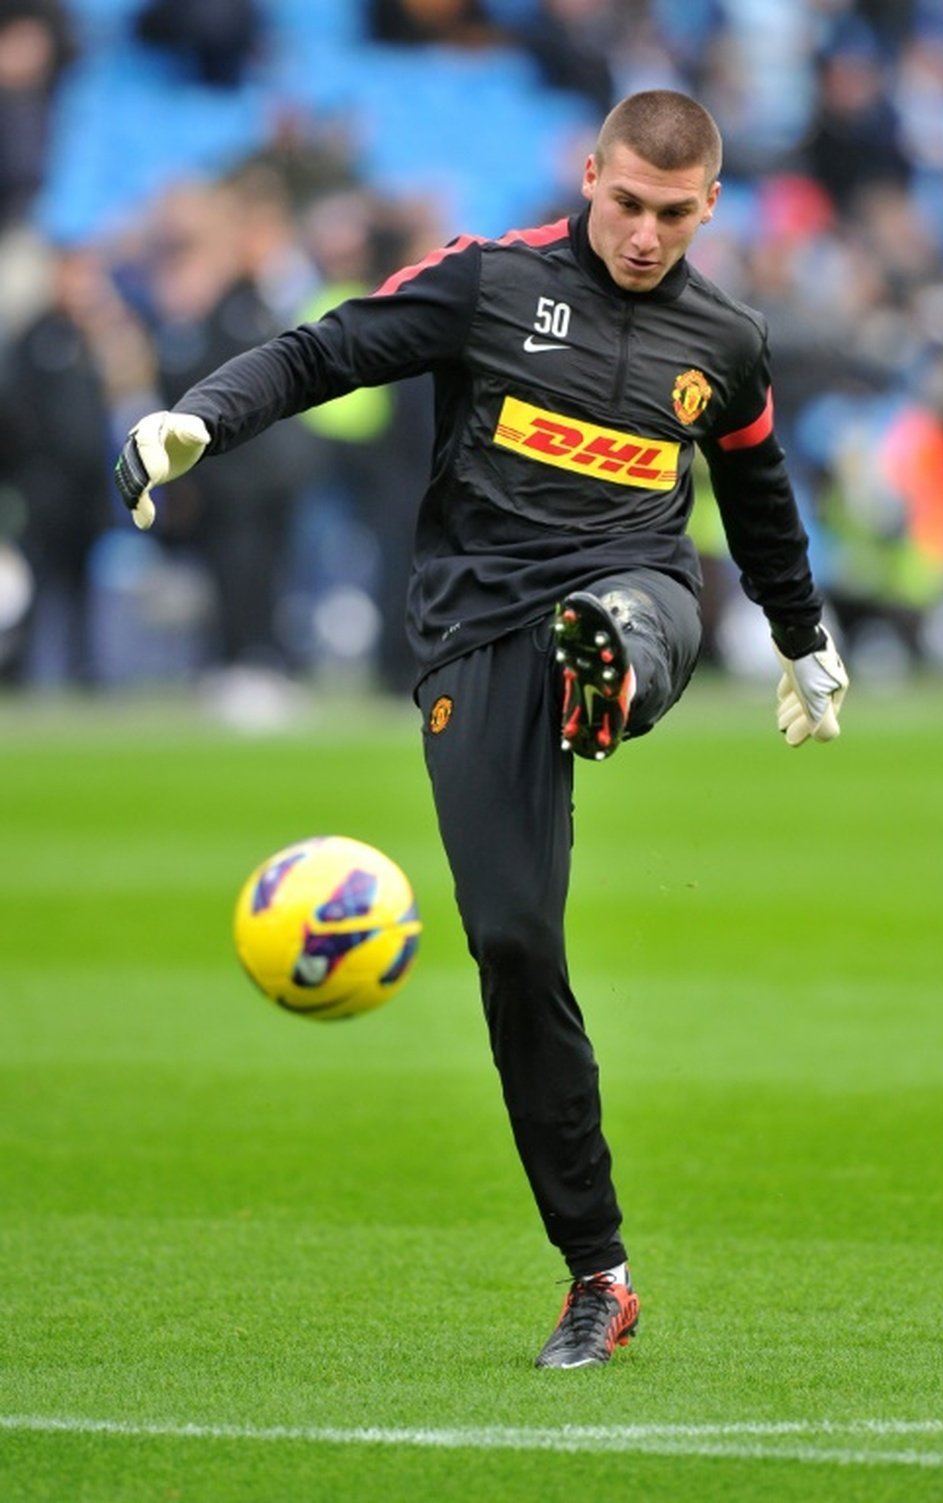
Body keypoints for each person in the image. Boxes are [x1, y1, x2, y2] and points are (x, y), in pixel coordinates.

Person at [113, 90, 849, 1369]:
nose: (643, 233)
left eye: (672, 214)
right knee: (513, 943)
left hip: (639, 587)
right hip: (477, 634)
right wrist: (202, 419)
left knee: (635, 611)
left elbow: (758, 492)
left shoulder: (724, 339)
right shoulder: (490, 285)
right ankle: (599, 1275)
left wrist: (800, 636)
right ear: (590, 176)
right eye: (626, 203)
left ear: (709, 207)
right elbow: (323, 351)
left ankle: (612, 665)